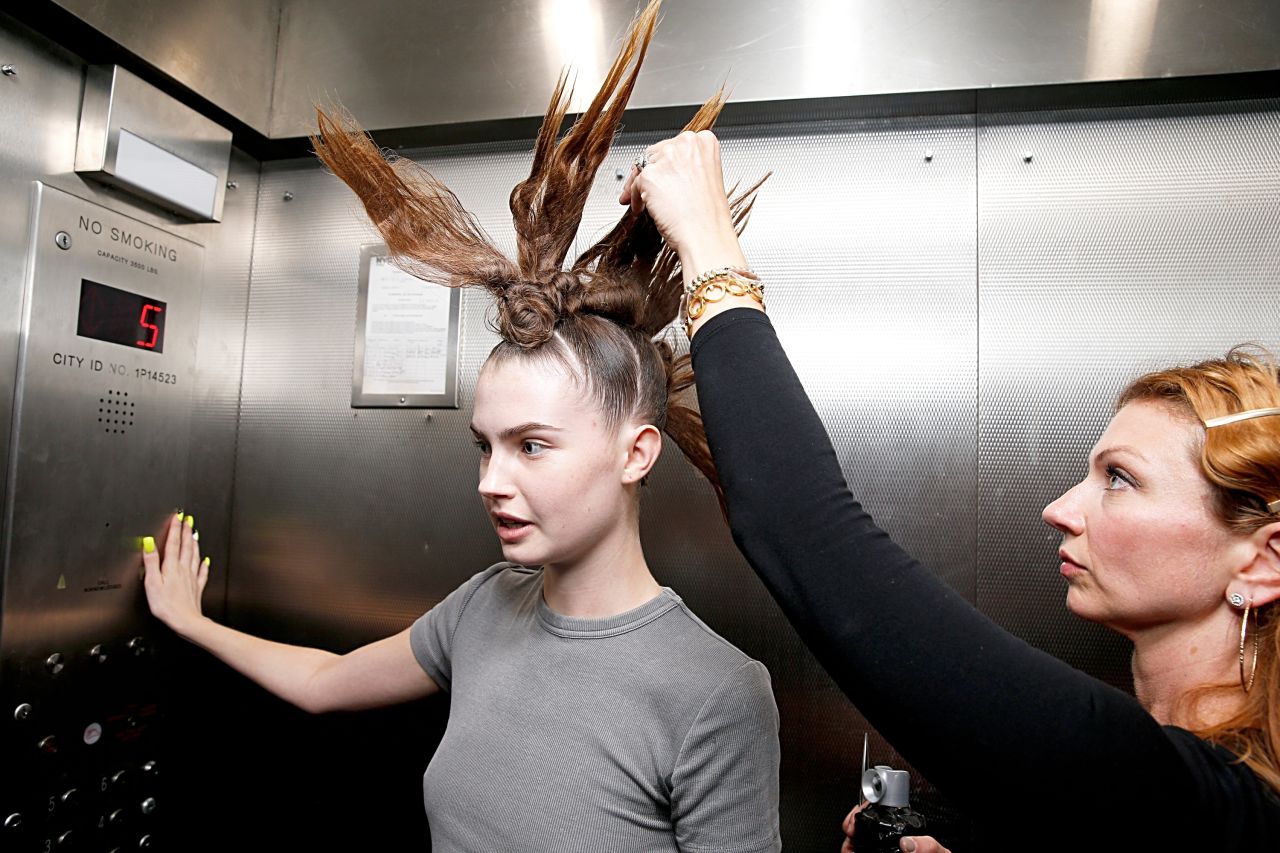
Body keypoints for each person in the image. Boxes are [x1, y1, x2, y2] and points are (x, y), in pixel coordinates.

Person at [141, 4, 781, 851]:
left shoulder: (718, 692)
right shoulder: (484, 606)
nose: (491, 479)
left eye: (532, 445)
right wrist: (193, 622)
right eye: (486, 444)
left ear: (637, 452)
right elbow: (328, 678)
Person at [619, 129, 1280, 851]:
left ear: (1261, 561)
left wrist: (708, 246)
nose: (1059, 510)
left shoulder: (1205, 804)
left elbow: (805, 530)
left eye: (1120, 479)